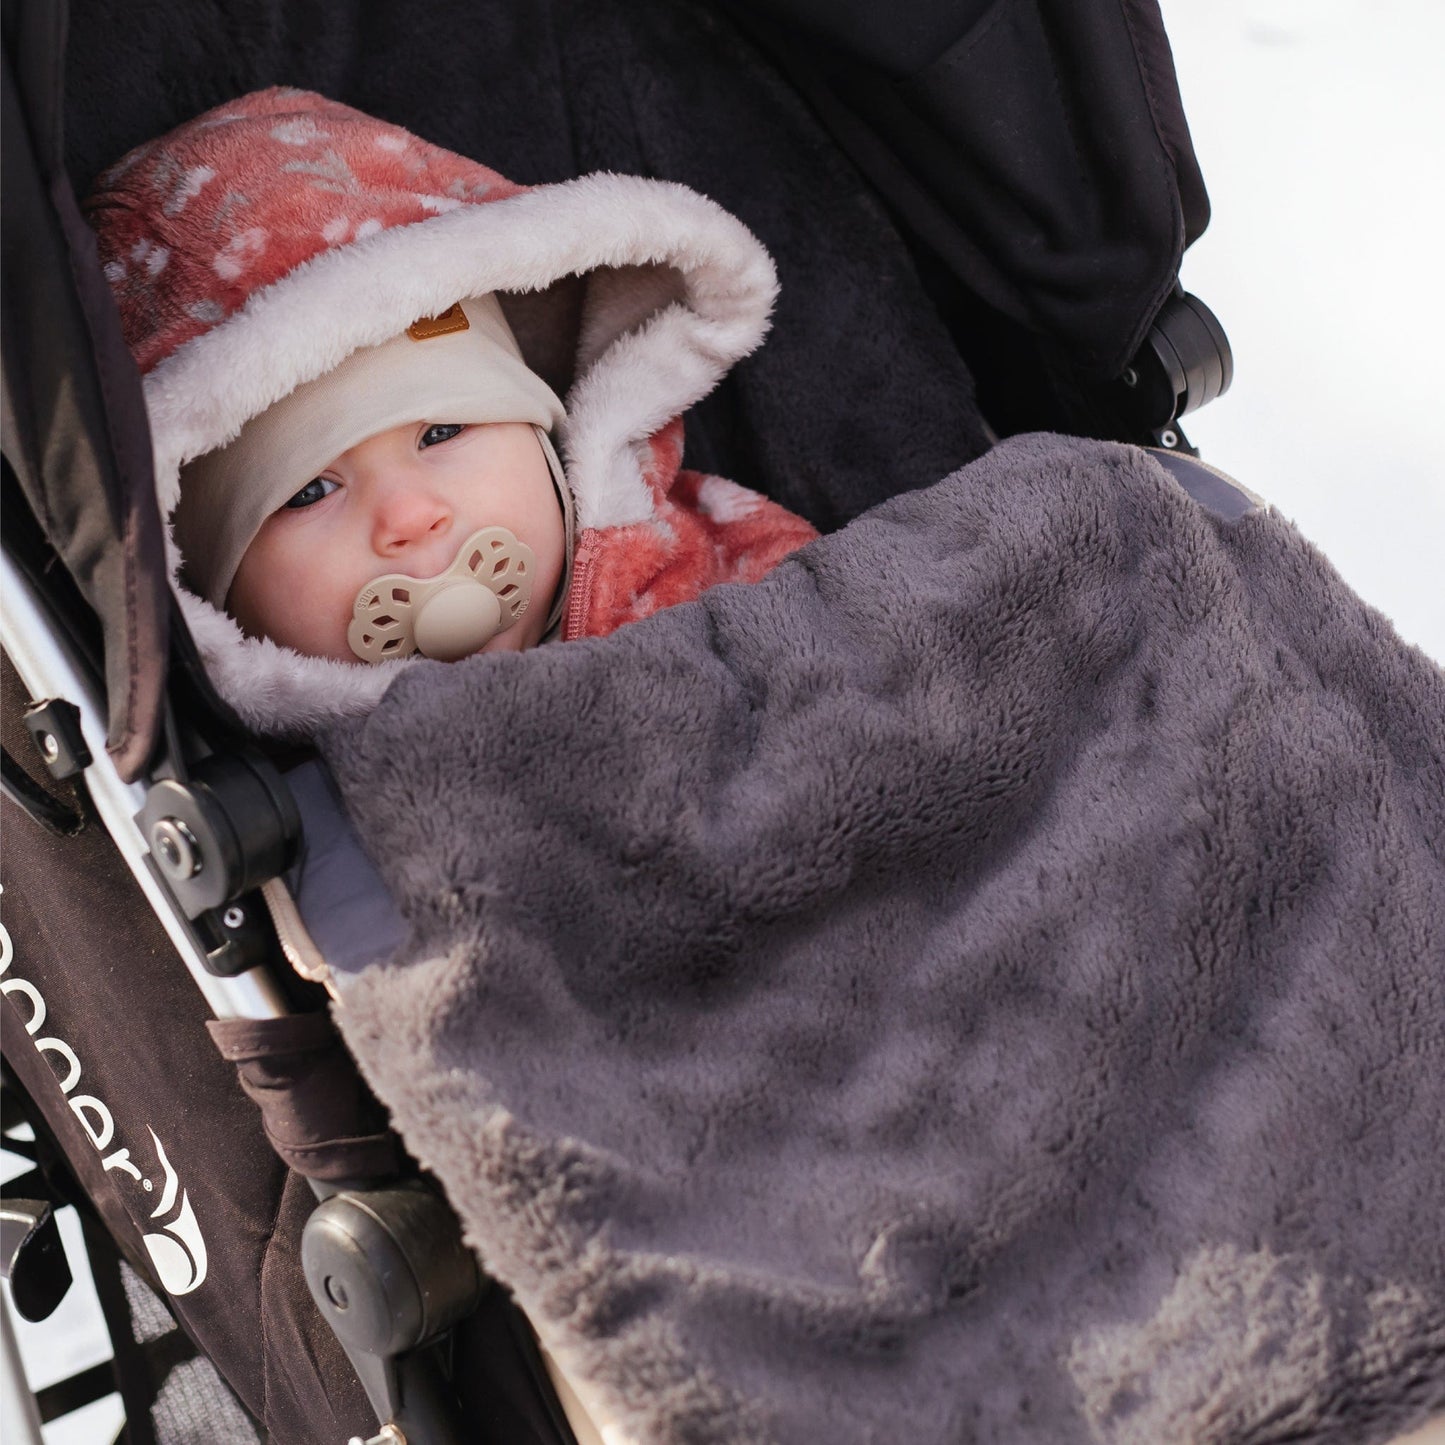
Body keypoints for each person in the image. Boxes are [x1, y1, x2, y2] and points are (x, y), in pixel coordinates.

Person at [84, 86, 817, 736]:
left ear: (545, 432)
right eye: (309, 491)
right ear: (219, 602)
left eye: (441, 432)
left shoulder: (731, 564)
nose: (408, 515)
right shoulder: (277, 823)